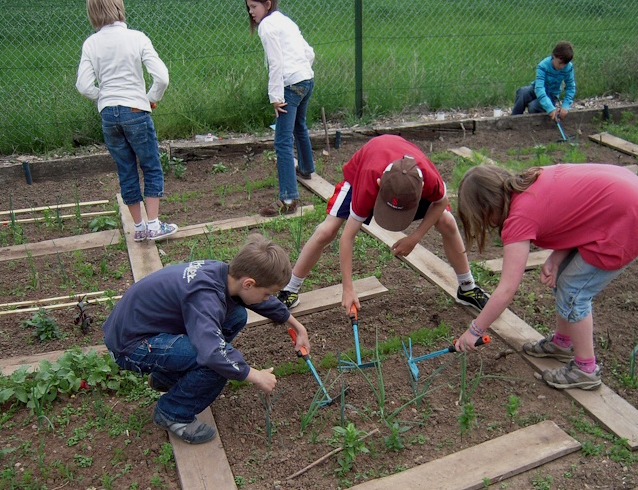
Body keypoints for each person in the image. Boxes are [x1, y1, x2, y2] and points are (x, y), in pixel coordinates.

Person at [453, 164, 638, 391]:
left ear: (488, 208)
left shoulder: (520, 217)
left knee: (575, 291)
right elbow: (578, 214)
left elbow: (507, 288)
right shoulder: (532, 180)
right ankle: (562, 344)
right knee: (565, 277)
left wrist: (474, 331)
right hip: (623, 197)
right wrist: (557, 257)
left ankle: (585, 370)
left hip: (628, 215)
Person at [102, 234, 311, 444]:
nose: (267, 298)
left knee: (236, 315)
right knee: (217, 365)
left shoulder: (223, 274)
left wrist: (297, 326)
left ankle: (166, 378)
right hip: (131, 346)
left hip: (142, 328)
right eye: (267, 294)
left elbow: (256, 301)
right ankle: (173, 413)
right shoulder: (205, 297)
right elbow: (213, 353)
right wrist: (255, 375)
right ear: (248, 283)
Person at [275, 134, 491, 314]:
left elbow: (441, 201)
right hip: (359, 176)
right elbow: (347, 237)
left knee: (447, 222)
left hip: (403, 179)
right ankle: (290, 289)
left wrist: (415, 237)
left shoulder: (429, 178)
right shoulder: (368, 183)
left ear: (420, 191)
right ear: (379, 188)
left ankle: (467, 287)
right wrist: (348, 288)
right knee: (327, 230)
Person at [76, 0, 177, 242]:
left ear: (92, 13)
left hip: (109, 114)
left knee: (126, 169)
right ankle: (154, 224)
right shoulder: (137, 38)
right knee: (151, 165)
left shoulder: (91, 44)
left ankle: (140, 227)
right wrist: (149, 99)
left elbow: (83, 85)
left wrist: (104, 97)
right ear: (119, 8)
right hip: (135, 109)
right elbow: (162, 77)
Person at [246, 0, 317, 217]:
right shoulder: (284, 20)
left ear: (267, 4)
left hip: (290, 85)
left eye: (254, 6)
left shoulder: (267, 26)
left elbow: (276, 63)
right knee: (299, 126)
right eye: (248, 7)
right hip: (306, 79)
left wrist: (275, 97)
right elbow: (309, 52)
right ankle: (306, 168)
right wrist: (301, 71)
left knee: (282, 141)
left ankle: (288, 197)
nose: (251, 12)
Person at [511, 41, 576, 122]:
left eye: (565, 64)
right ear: (553, 55)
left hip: (552, 95)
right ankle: (514, 120)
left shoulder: (568, 68)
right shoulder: (543, 66)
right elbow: (539, 88)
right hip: (537, 89)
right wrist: (549, 107)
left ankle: (535, 124)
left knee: (533, 106)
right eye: (560, 63)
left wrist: (565, 105)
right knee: (522, 93)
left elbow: (570, 87)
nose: (562, 66)